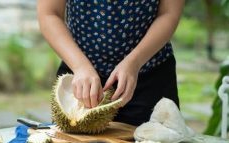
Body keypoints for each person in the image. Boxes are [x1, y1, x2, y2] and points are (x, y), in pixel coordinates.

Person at [37, 0, 185, 126]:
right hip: (78, 79)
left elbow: (168, 13)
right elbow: (50, 14)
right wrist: (80, 67)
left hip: (150, 77)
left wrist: (135, 62)